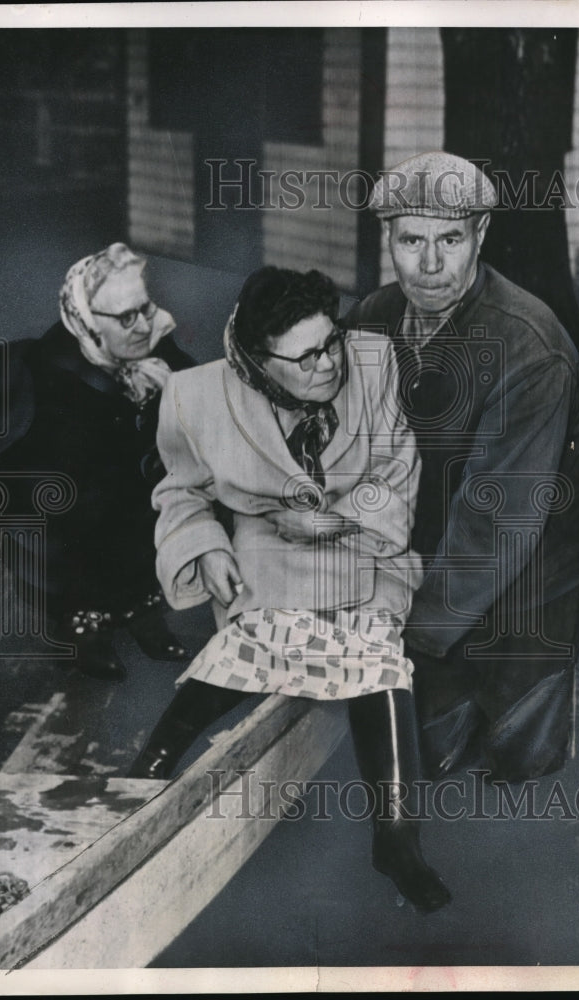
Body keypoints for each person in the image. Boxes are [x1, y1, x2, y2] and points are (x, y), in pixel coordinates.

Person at [129, 265, 451, 914]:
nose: (327, 364)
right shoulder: (195, 397)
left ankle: (396, 835)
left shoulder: (372, 359)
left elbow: (398, 466)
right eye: (304, 358)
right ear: (255, 357)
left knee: (376, 655)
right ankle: (146, 770)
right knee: (258, 637)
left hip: (363, 545)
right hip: (267, 553)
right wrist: (207, 549)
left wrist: (342, 515)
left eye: (330, 341)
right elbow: (179, 495)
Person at [346, 151, 579, 782]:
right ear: (389, 238)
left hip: (534, 572)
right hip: (432, 560)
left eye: (450, 239)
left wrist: (402, 627)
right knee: (431, 758)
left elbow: (500, 522)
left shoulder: (531, 347)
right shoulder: (369, 320)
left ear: (480, 236)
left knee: (520, 763)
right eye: (411, 239)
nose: (430, 264)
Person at [0, 242, 195, 680]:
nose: (145, 326)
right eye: (127, 317)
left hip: (134, 528)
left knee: (144, 559)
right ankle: (83, 631)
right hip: (62, 539)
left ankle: (144, 617)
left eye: (146, 309)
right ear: (88, 321)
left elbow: (206, 414)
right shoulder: (30, 370)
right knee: (80, 584)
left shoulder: (160, 355)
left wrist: (172, 394)